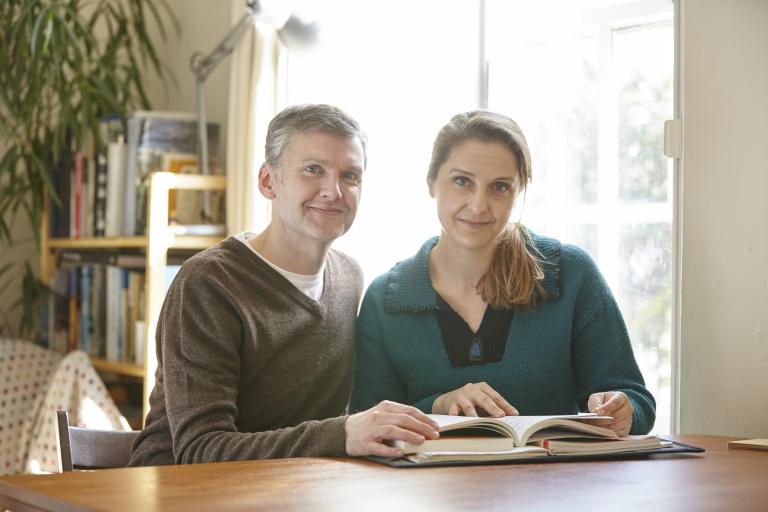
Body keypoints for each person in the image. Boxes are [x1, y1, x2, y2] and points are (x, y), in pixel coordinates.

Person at [129, 104, 438, 466]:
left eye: (350, 176)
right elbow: (200, 450)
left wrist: (436, 406)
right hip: (182, 494)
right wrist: (341, 435)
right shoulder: (209, 284)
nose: (333, 191)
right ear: (267, 181)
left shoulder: (350, 278)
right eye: (312, 170)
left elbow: (349, 417)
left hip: (292, 489)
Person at [350, 110, 655, 436]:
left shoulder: (571, 274)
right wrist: (437, 406)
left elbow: (637, 402)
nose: (479, 205)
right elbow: (368, 425)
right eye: (462, 181)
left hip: (553, 483)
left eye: (500, 187)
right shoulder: (384, 300)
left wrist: (623, 408)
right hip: (430, 486)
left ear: (519, 190)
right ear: (431, 184)